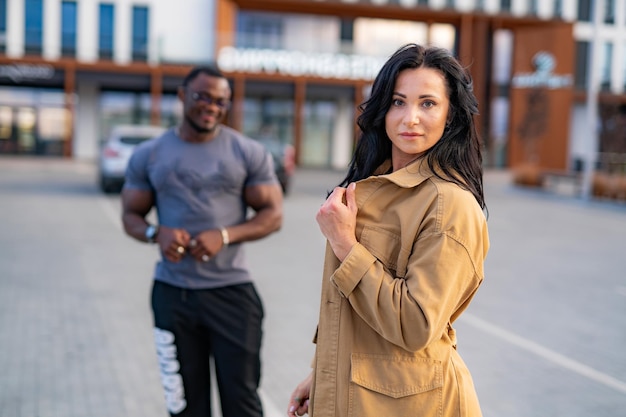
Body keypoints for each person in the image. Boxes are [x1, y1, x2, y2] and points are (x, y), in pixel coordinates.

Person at [287, 43, 489, 417]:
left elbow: (415, 325)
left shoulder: (449, 204)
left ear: (451, 115)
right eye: (398, 102)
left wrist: (345, 243)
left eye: (427, 103)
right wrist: (323, 373)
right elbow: (352, 309)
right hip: (361, 397)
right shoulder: (372, 186)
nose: (410, 117)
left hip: (413, 405)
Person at [121, 65, 283, 417]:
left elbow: (273, 214)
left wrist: (224, 235)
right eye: (203, 97)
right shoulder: (148, 155)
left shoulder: (247, 152)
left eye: (221, 101)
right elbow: (130, 217)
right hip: (172, 294)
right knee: (183, 405)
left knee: (241, 403)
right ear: (182, 96)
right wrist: (155, 233)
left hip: (232, 294)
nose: (211, 106)